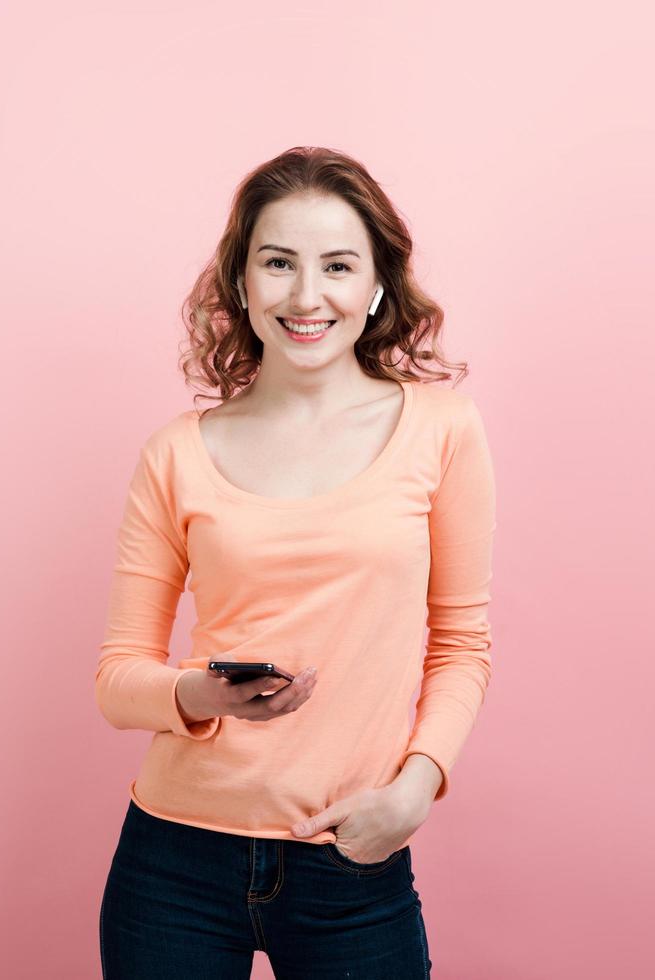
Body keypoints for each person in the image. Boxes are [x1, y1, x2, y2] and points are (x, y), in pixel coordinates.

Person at [95, 146, 496, 979]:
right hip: (172, 861)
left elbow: (461, 643)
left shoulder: (442, 431)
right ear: (241, 283)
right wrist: (199, 694)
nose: (306, 296)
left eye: (337, 266)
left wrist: (413, 793)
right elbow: (117, 678)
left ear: (377, 284)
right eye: (278, 263)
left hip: (352, 860)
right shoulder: (175, 454)